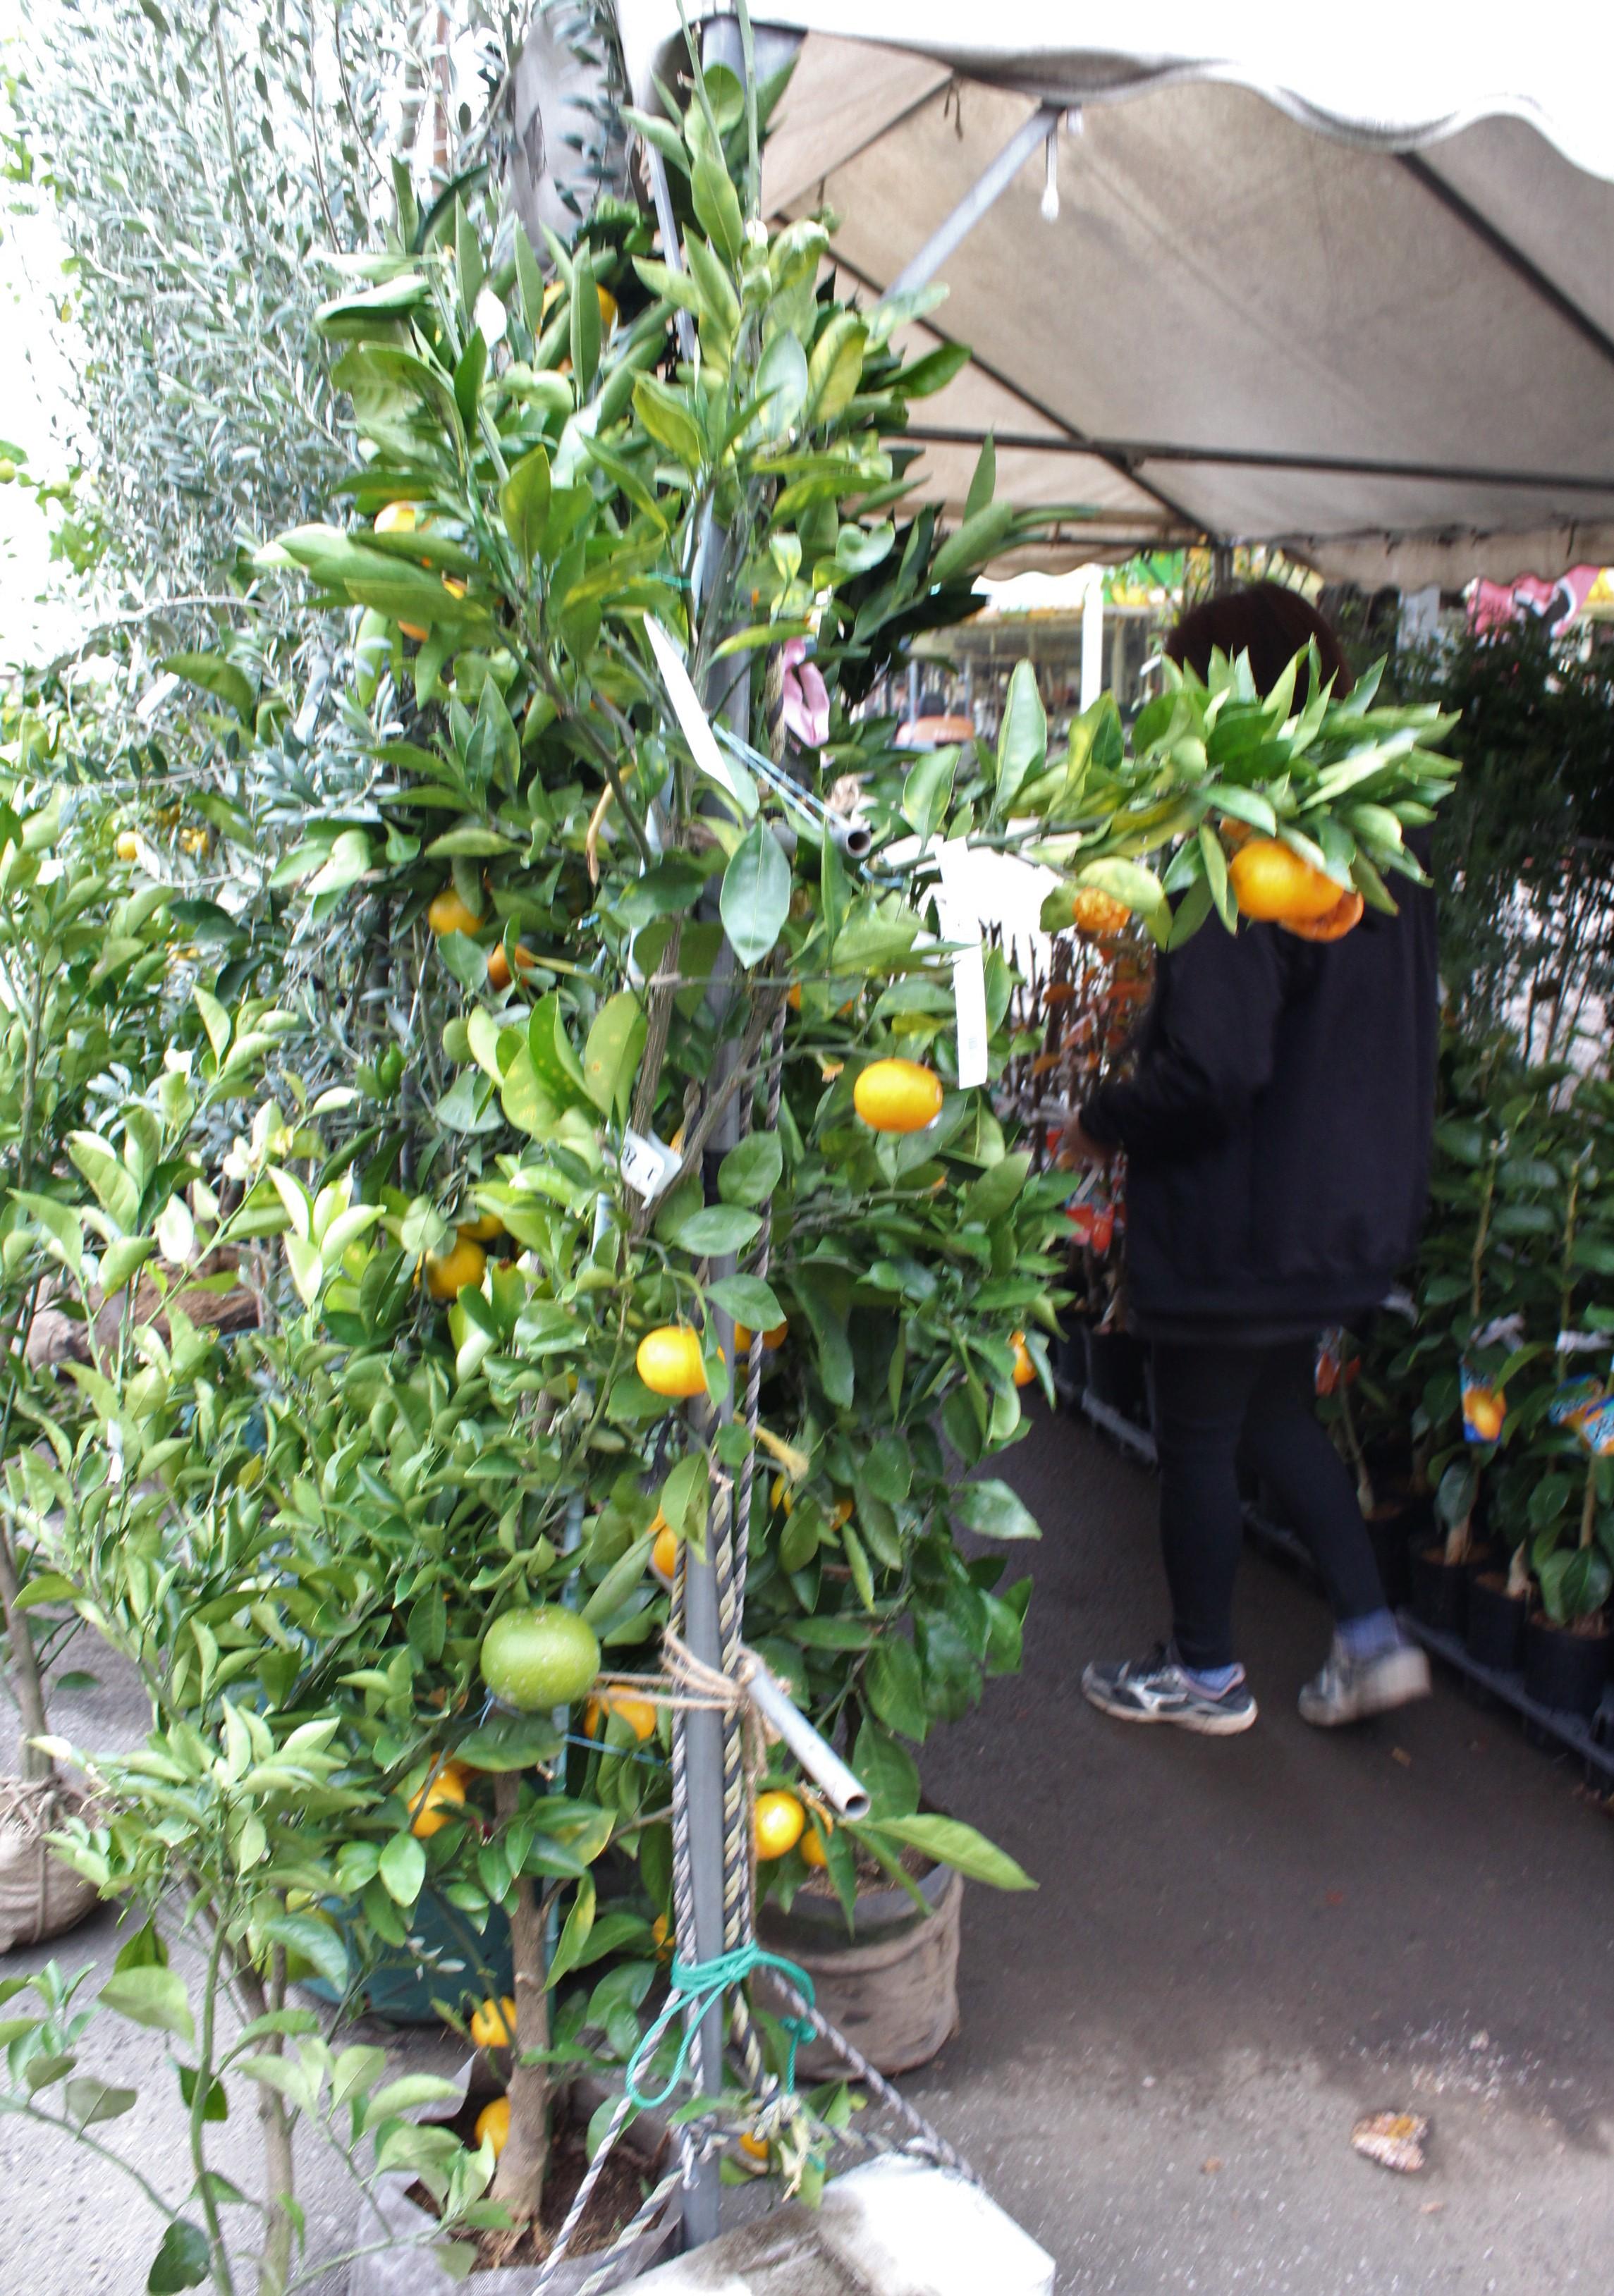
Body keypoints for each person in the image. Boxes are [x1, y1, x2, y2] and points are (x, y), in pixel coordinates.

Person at [1069, 583, 1435, 1736]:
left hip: (1238, 1217)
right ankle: (1372, 1640)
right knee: (1275, 1415)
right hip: (1332, 1208)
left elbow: (1214, 1069)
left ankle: (1204, 1672)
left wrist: (1106, 1115)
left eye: (1185, 683)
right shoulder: (1376, 828)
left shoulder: (1243, 846)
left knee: (1198, 1437)